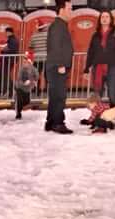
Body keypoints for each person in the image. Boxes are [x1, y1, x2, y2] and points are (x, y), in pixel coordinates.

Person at [45, 0, 74, 134]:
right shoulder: (58, 26)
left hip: (55, 66)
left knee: (54, 95)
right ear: (62, 10)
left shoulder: (59, 25)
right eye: (69, 9)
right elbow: (56, 47)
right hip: (57, 67)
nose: (71, 12)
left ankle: (51, 122)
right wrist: (61, 64)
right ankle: (57, 123)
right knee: (59, 96)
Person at [84, 11, 115, 107]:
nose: (104, 18)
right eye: (102, 17)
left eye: (107, 16)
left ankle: (114, 115)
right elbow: (91, 52)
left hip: (113, 67)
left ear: (111, 19)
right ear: (99, 20)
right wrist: (86, 69)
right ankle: (98, 117)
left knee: (113, 94)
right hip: (97, 67)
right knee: (97, 94)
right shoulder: (95, 35)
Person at [14, 50, 39, 119]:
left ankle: (24, 106)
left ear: (30, 63)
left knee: (26, 102)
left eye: (26, 62)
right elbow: (19, 79)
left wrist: (32, 81)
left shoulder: (34, 69)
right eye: (23, 62)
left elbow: (36, 77)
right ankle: (18, 113)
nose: (24, 63)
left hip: (27, 89)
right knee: (19, 100)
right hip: (19, 87)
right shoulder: (21, 69)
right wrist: (24, 83)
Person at [0, 26, 19, 98]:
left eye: (6, 32)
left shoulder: (12, 40)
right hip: (8, 60)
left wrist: (3, 49)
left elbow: (12, 50)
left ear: (9, 32)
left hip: (8, 60)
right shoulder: (11, 39)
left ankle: (11, 91)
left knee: (5, 76)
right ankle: (9, 91)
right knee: (5, 75)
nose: (5, 34)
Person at [29, 19, 49, 96]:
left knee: (37, 76)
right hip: (47, 58)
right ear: (44, 28)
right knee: (47, 75)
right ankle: (48, 91)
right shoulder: (48, 35)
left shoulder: (34, 36)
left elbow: (31, 46)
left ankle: (37, 92)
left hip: (37, 58)